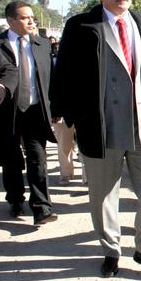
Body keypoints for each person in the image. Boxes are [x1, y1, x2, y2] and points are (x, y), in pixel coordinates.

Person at [51, 0, 141, 279]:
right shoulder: (82, 25)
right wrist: (63, 111)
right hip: (102, 125)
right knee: (103, 195)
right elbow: (64, 71)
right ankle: (110, 250)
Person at [0, 0, 58, 226]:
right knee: (11, 160)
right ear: (10, 21)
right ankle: (15, 198)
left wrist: (54, 109)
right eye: (24, 17)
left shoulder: (41, 44)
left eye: (32, 17)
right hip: (7, 113)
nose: (31, 21)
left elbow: (50, 79)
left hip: (35, 110)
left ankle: (42, 208)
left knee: (38, 159)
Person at [49, 37, 85, 185]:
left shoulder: (88, 61)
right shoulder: (54, 64)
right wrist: (55, 112)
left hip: (84, 112)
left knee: (85, 146)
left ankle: (88, 176)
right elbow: (51, 89)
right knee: (64, 145)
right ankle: (66, 173)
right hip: (62, 113)